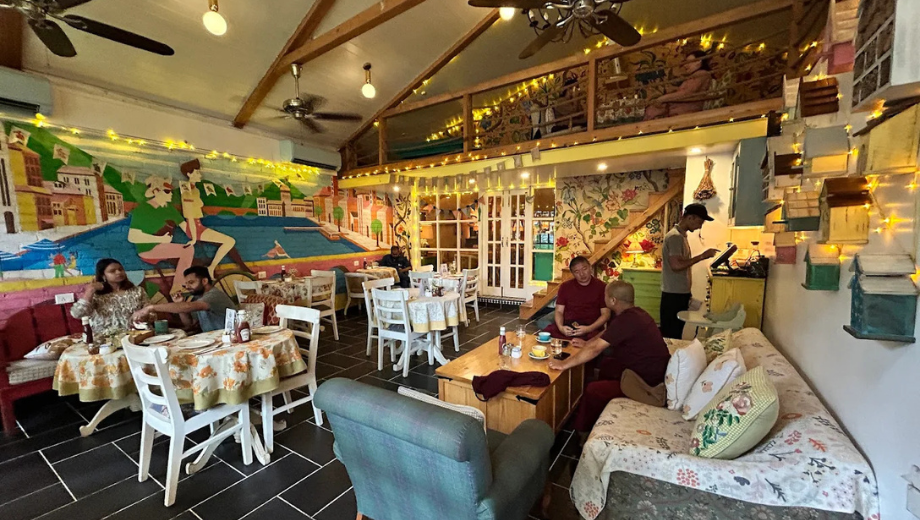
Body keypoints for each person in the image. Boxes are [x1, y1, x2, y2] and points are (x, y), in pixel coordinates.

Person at [548, 281, 671, 435]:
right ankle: (593, 408)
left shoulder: (627, 320)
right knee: (607, 365)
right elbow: (607, 333)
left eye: (605, 295)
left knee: (593, 390)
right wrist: (587, 343)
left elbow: (595, 349)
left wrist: (564, 364)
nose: (603, 298)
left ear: (613, 300)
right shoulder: (635, 313)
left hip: (646, 383)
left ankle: (582, 431)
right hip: (645, 370)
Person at [659, 203, 719, 339]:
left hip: (679, 293)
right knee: (671, 334)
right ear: (690, 218)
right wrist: (702, 256)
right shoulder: (675, 237)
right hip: (673, 294)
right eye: (699, 222)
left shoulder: (681, 236)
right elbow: (676, 265)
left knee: (676, 332)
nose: (700, 226)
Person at [131, 266, 235, 332]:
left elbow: (188, 307)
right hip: (213, 339)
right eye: (186, 284)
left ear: (204, 281)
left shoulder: (214, 295)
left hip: (227, 339)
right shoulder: (198, 297)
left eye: (191, 283)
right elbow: (189, 324)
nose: (188, 287)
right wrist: (180, 303)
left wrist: (151, 308)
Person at [72, 258, 149, 332]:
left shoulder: (138, 291)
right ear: (103, 276)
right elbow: (77, 314)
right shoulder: (96, 295)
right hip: (106, 338)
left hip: (136, 335)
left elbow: (150, 312)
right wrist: (90, 290)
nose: (118, 272)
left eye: (120, 269)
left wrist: (145, 315)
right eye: (112, 271)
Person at [542, 256, 610, 340]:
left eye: (584, 269)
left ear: (590, 268)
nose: (582, 274)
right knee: (546, 335)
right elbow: (559, 311)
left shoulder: (602, 287)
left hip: (591, 328)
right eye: (577, 271)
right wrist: (561, 327)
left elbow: (606, 314)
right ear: (572, 273)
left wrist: (589, 329)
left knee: (595, 341)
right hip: (568, 327)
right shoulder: (565, 287)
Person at [644, 50, 713, 120]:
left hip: (686, 110)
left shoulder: (702, 74)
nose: (685, 65)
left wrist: (663, 98)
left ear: (698, 61)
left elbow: (687, 93)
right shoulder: (698, 75)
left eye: (689, 62)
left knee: (653, 109)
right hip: (680, 109)